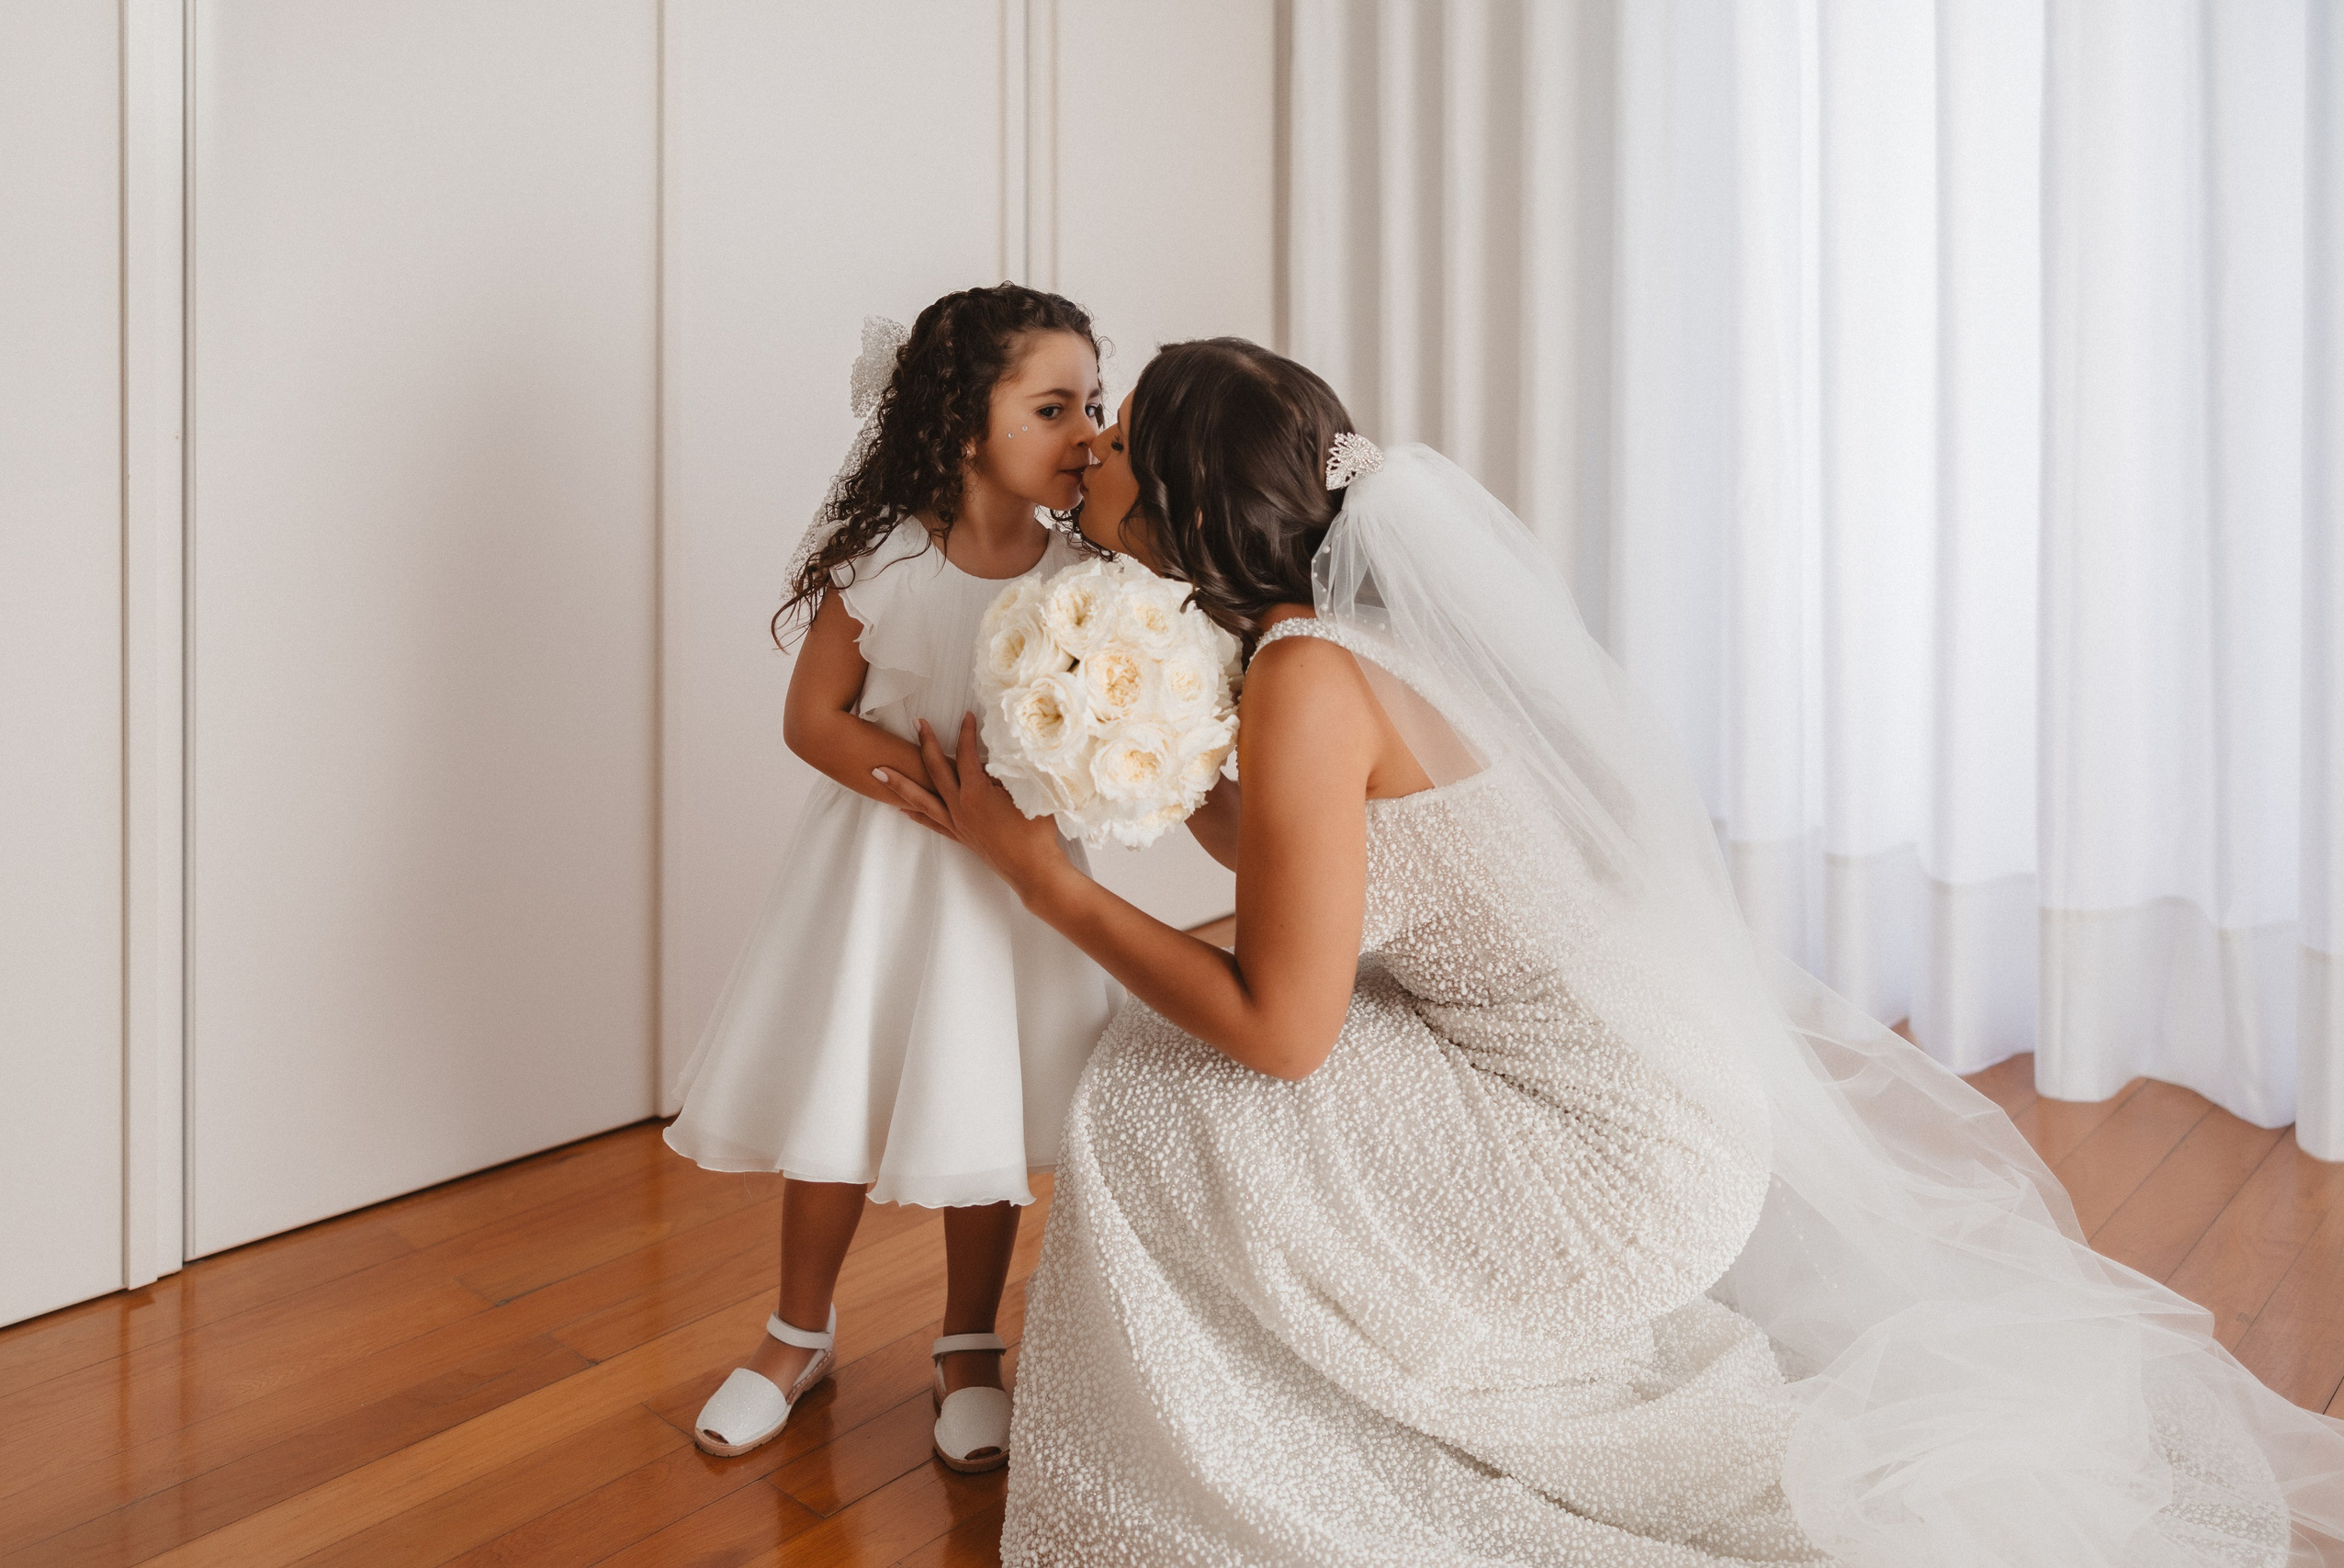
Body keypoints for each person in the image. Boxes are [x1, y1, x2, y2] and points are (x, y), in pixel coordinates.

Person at [883, 337, 2344, 1563]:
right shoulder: (1344, 640)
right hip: (1661, 1100)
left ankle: (1268, 1445)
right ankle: (1300, 1386)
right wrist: (1126, 774)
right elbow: (1302, 874)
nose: (1092, 451)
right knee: (1179, 1057)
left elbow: (1283, 1028)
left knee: (1158, 1087)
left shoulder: (1308, 676)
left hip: (1612, 1162)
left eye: (1119, 434)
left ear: (1186, 495)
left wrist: (1048, 885)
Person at [663, 286, 1119, 1473]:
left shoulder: (1086, 576)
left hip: (1012, 886)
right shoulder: (888, 563)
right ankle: (795, 1333)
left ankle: (968, 1346)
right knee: (842, 1092)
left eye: (1094, 405)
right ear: (964, 425)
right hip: (880, 870)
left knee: (984, 1099)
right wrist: (943, 792)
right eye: (1054, 407)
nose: (1087, 433)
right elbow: (814, 719)